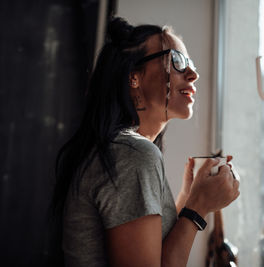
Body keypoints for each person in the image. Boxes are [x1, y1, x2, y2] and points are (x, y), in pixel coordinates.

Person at [51, 17, 240, 267]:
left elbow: (154, 251)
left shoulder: (121, 150)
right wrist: (198, 208)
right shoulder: (133, 154)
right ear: (134, 78)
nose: (193, 74)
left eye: (190, 63)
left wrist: (188, 197)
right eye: (177, 61)